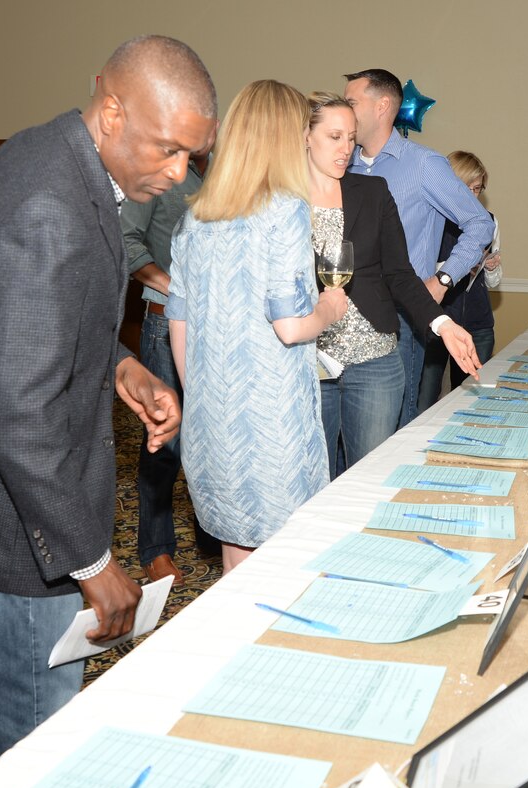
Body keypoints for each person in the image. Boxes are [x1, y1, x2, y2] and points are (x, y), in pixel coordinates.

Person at [0, 35, 216, 781]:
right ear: (111, 111)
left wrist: (122, 365)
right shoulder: (50, 207)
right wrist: (93, 561)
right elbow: (20, 417)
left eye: (190, 160)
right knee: (37, 757)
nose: (176, 177)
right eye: (168, 151)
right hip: (7, 526)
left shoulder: (56, 152)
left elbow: (28, 321)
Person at [168, 79, 349, 575]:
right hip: (272, 424)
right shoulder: (285, 210)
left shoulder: (195, 219)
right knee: (283, 563)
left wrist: (205, 397)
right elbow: (290, 326)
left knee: (235, 558)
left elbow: (177, 325)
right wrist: (330, 309)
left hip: (211, 420)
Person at [305, 93, 480, 478]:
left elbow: (399, 273)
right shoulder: (283, 200)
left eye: (351, 137)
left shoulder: (372, 191)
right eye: (334, 137)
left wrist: (443, 325)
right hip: (307, 361)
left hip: (375, 363)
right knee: (312, 481)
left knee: (368, 476)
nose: (346, 149)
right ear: (306, 136)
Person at [343, 69, 494, 427]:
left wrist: (443, 279)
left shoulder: (423, 165)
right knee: (339, 435)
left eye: (351, 102)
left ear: (382, 106)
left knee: (391, 428)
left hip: (400, 318)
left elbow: (480, 225)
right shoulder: (341, 163)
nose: (344, 110)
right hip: (337, 316)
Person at [121, 136, 222, 585]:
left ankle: (212, 534)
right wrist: (171, 285)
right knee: (165, 439)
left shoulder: (225, 169)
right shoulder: (158, 172)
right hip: (166, 321)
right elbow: (125, 239)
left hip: (217, 327)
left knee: (213, 435)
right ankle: (155, 549)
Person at [419, 150, 503, 405]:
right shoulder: (431, 220)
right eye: (466, 187)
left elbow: (494, 283)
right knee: (425, 400)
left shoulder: (488, 221)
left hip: (479, 324)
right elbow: (419, 273)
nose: (472, 195)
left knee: (472, 399)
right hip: (437, 323)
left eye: (477, 189)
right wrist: (457, 266)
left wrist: (491, 268)